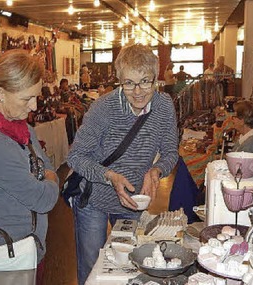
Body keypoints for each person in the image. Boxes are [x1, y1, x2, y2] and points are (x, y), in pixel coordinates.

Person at [67, 44, 179, 285]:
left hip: (132, 199)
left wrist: (156, 170)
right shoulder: (103, 107)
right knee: (92, 265)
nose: (137, 91)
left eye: (145, 81)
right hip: (93, 198)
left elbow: (171, 152)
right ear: (119, 81)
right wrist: (110, 176)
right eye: (128, 83)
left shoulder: (164, 106)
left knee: (129, 262)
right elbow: (75, 157)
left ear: (156, 79)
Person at [0, 49, 59, 283]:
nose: (34, 106)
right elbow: (43, 199)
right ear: (0, 93)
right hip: (5, 254)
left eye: (36, 97)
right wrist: (50, 179)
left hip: (27, 248)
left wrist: (48, 176)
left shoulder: (20, 128)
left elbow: (47, 164)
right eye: (27, 98)